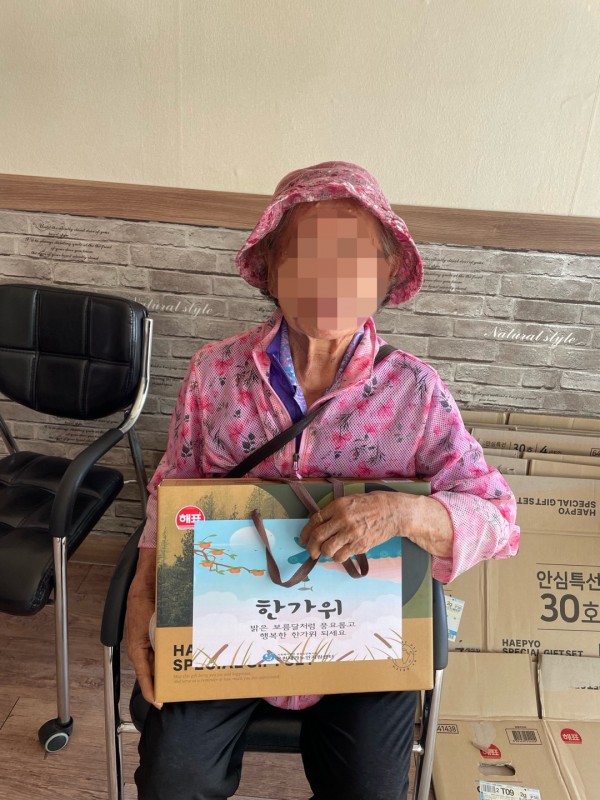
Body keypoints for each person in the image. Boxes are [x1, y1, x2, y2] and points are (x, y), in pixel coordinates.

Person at [127, 161, 520, 800]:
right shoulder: (215, 374)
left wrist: (403, 514)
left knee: (370, 790)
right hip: (229, 623)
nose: (329, 278)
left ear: (387, 272)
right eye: (304, 256)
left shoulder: (414, 391)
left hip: (364, 636)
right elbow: (171, 491)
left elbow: (498, 516)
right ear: (272, 269)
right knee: (174, 776)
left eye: (354, 258)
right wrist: (142, 599)